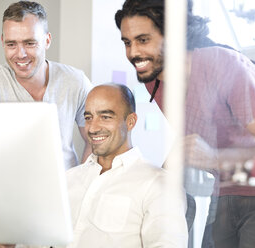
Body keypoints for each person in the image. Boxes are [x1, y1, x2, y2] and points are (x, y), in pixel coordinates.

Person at [114, 0, 255, 247]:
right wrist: (155, 182)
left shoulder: (222, 64)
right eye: (127, 42)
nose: (133, 53)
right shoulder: (154, 80)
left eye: (143, 40)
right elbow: (193, 134)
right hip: (226, 189)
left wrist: (213, 158)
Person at [0, 1, 92, 170]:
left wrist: (81, 182)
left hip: (66, 190)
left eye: (30, 43)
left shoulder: (75, 81)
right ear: (2, 42)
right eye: (11, 44)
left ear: (47, 40)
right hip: (11, 189)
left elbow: (96, 139)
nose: (20, 54)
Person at [66, 83, 188, 247]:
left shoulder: (158, 184)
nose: (93, 128)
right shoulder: (68, 179)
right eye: (88, 118)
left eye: (105, 117)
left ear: (130, 122)